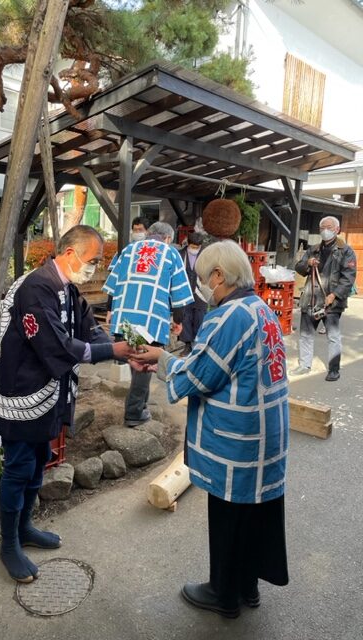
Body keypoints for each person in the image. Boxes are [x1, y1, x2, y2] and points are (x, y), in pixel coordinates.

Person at [130, 240, 289, 619]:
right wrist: (169, 362)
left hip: (238, 439)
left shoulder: (228, 315)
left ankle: (224, 593)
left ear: (218, 275)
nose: (202, 285)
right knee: (254, 516)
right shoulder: (260, 308)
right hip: (268, 434)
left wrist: (161, 358)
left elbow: (202, 375)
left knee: (228, 517)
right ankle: (247, 586)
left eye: (203, 277)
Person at [0, 225, 134, 583]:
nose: (96, 267)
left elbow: (86, 327)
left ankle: (26, 528)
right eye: (93, 260)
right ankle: (8, 546)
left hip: (48, 391)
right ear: (69, 254)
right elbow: (57, 346)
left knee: (39, 461)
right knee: (18, 466)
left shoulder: (66, 288)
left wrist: (126, 353)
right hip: (20, 393)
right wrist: (112, 351)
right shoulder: (36, 288)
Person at [103, 221, 193, 427]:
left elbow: (114, 282)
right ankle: (134, 412)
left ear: (148, 234)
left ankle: (140, 406)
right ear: (168, 238)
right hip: (150, 319)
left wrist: (111, 310)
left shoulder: (128, 249)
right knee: (145, 362)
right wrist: (178, 321)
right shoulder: (171, 253)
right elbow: (178, 292)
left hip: (126, 316)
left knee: (136, 357)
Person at [290, 216, 357, 381]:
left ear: (337, 229)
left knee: (333, 336)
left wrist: (334, 295)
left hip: (331, 301)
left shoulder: (345, 251)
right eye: (322, 228)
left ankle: (334, 369)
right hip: (311, 299)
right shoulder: (313, 249)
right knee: (306, 335)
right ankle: (305, 365)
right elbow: (299, 267)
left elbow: (348, 278)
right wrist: (308, 263)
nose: (325, 231)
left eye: (328, 227)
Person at [178, 232, 207, 356]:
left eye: (197, 247)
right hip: (184, 291)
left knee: (200, 317)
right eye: (193, 246)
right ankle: (187, 345)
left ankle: (198, 345)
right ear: (188, 244)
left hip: (201, 291)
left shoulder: (206, 255)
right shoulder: (180, 254)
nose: (195, 249)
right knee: (186, 317)